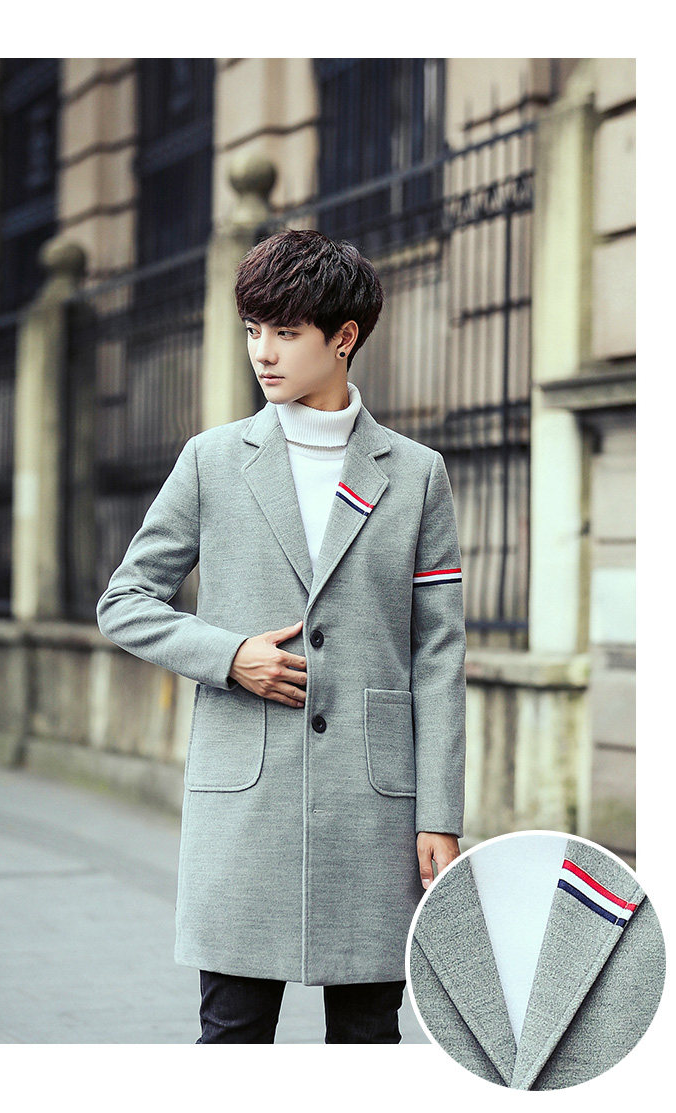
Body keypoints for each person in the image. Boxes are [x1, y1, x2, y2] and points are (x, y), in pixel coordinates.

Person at [96, 229, 466, 1043]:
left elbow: (438, 654)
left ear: (344, 338)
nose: (262, 352)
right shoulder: (212, 461)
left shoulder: (416, 474)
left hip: (374, 809)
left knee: (367, 1041)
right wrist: (230, 656)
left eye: (286, 332)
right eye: (253, 329)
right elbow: (124, 601)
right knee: (232, 1036)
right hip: (245, 801)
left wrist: (440, 813)